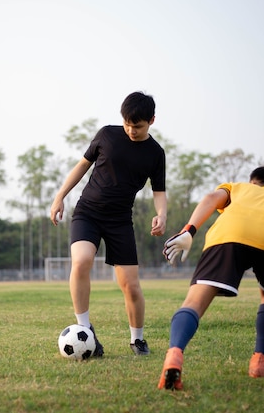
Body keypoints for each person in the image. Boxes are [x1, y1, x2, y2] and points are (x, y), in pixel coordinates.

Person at [157, 166, 264, 390]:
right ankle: (259, 361)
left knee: (194, 302)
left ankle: (174, 354)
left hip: (229, 234)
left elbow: (210, 198)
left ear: (252, 181)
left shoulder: (238, 188)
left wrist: (189, 230)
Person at [50, 91, 167, 356]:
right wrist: (60, 197)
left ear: (151, 120)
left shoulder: (155, 153)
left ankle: (137, 340)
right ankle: (86, 329)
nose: (130, 130)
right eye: (126, 123)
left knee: (131, 285)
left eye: (137, 126)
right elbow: (82, 166)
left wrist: (162, 214)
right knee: (81, 262)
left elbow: (159, 190)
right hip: (87, 213)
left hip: (120, 221)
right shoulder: (107, 135)